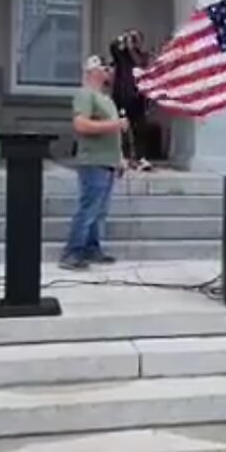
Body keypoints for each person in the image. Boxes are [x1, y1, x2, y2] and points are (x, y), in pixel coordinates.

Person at [60, 56, 127, 271]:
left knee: (100, 210)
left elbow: (113, 132)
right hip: (93, 160)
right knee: (88, 208)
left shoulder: (106, 99)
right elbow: (80, 124)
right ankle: (72, 251)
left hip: (107, 161)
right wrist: (115, 124)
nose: (109, 71)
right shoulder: (85, 95)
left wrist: (120, 158)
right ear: (93, 72)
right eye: (104, 68)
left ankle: (91, 248)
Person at [109, 30, 152, 171]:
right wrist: (123, 38)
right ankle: (124, 156)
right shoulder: (121, 55)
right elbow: (113, 47)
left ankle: (141, 158)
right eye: (133, 39)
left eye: (136, 39)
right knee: (123, 128)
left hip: (138, 98)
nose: (134, 41)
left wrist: (133, 48)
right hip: (122, 97)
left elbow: (144, 65)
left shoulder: (142, 56)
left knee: (140, 128)